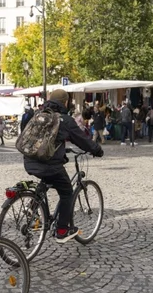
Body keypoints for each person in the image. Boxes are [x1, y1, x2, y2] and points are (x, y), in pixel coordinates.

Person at [23, 89, 103, 243]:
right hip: (49, 165)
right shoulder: (65, 120)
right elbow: (82, 139)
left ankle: (33, 204)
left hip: (30, 161)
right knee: (66, 192)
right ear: (65, 102)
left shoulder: (39, 115)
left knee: (46, 180)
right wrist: (97, 150)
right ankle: (62, 230)